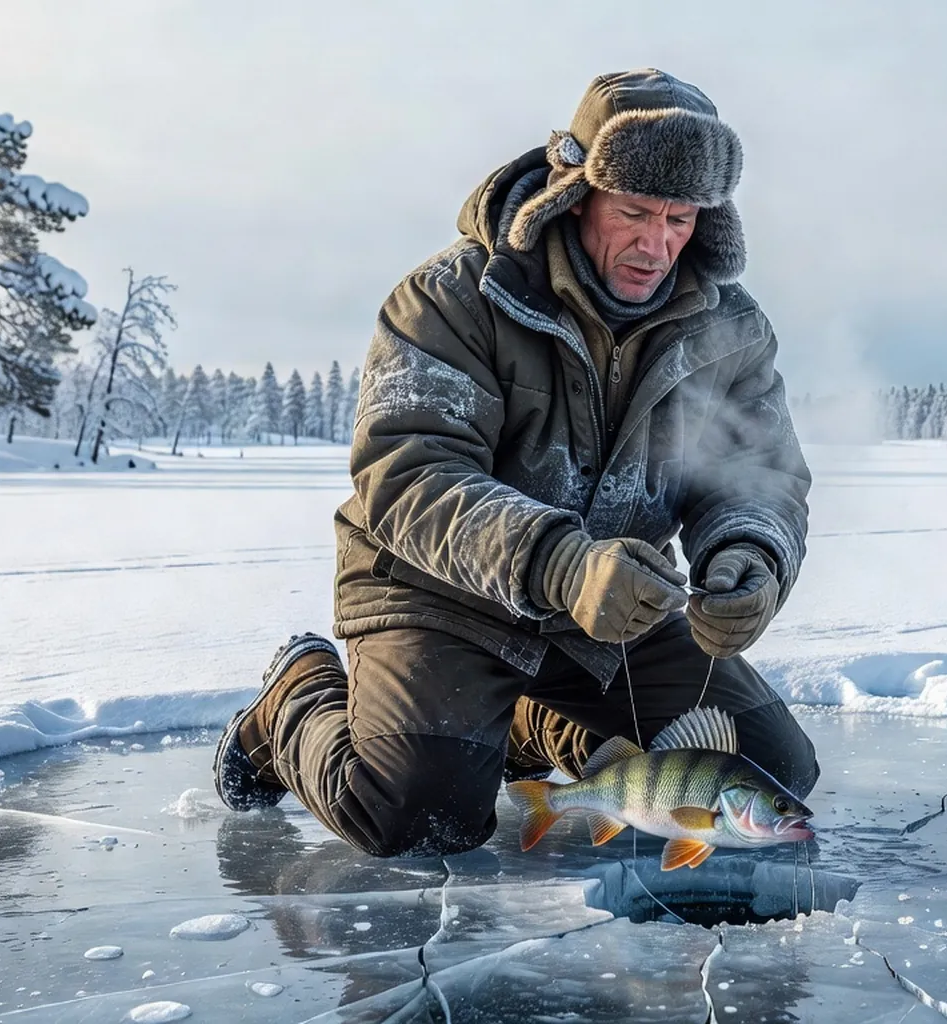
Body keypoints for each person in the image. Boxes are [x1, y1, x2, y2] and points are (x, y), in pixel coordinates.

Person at [213, 68, 818, 857]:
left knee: (769, 770)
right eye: (634, 211)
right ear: (576, 191)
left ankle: (521, 726)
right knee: (416, 816)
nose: (657, 243)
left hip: (610, 611)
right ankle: (293, 699)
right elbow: (409, 475)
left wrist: (750, 555)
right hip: (435, 592)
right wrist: (562, 564)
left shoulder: (729, 332)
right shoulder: (450, 297)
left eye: (679, 217)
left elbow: (759, 477)